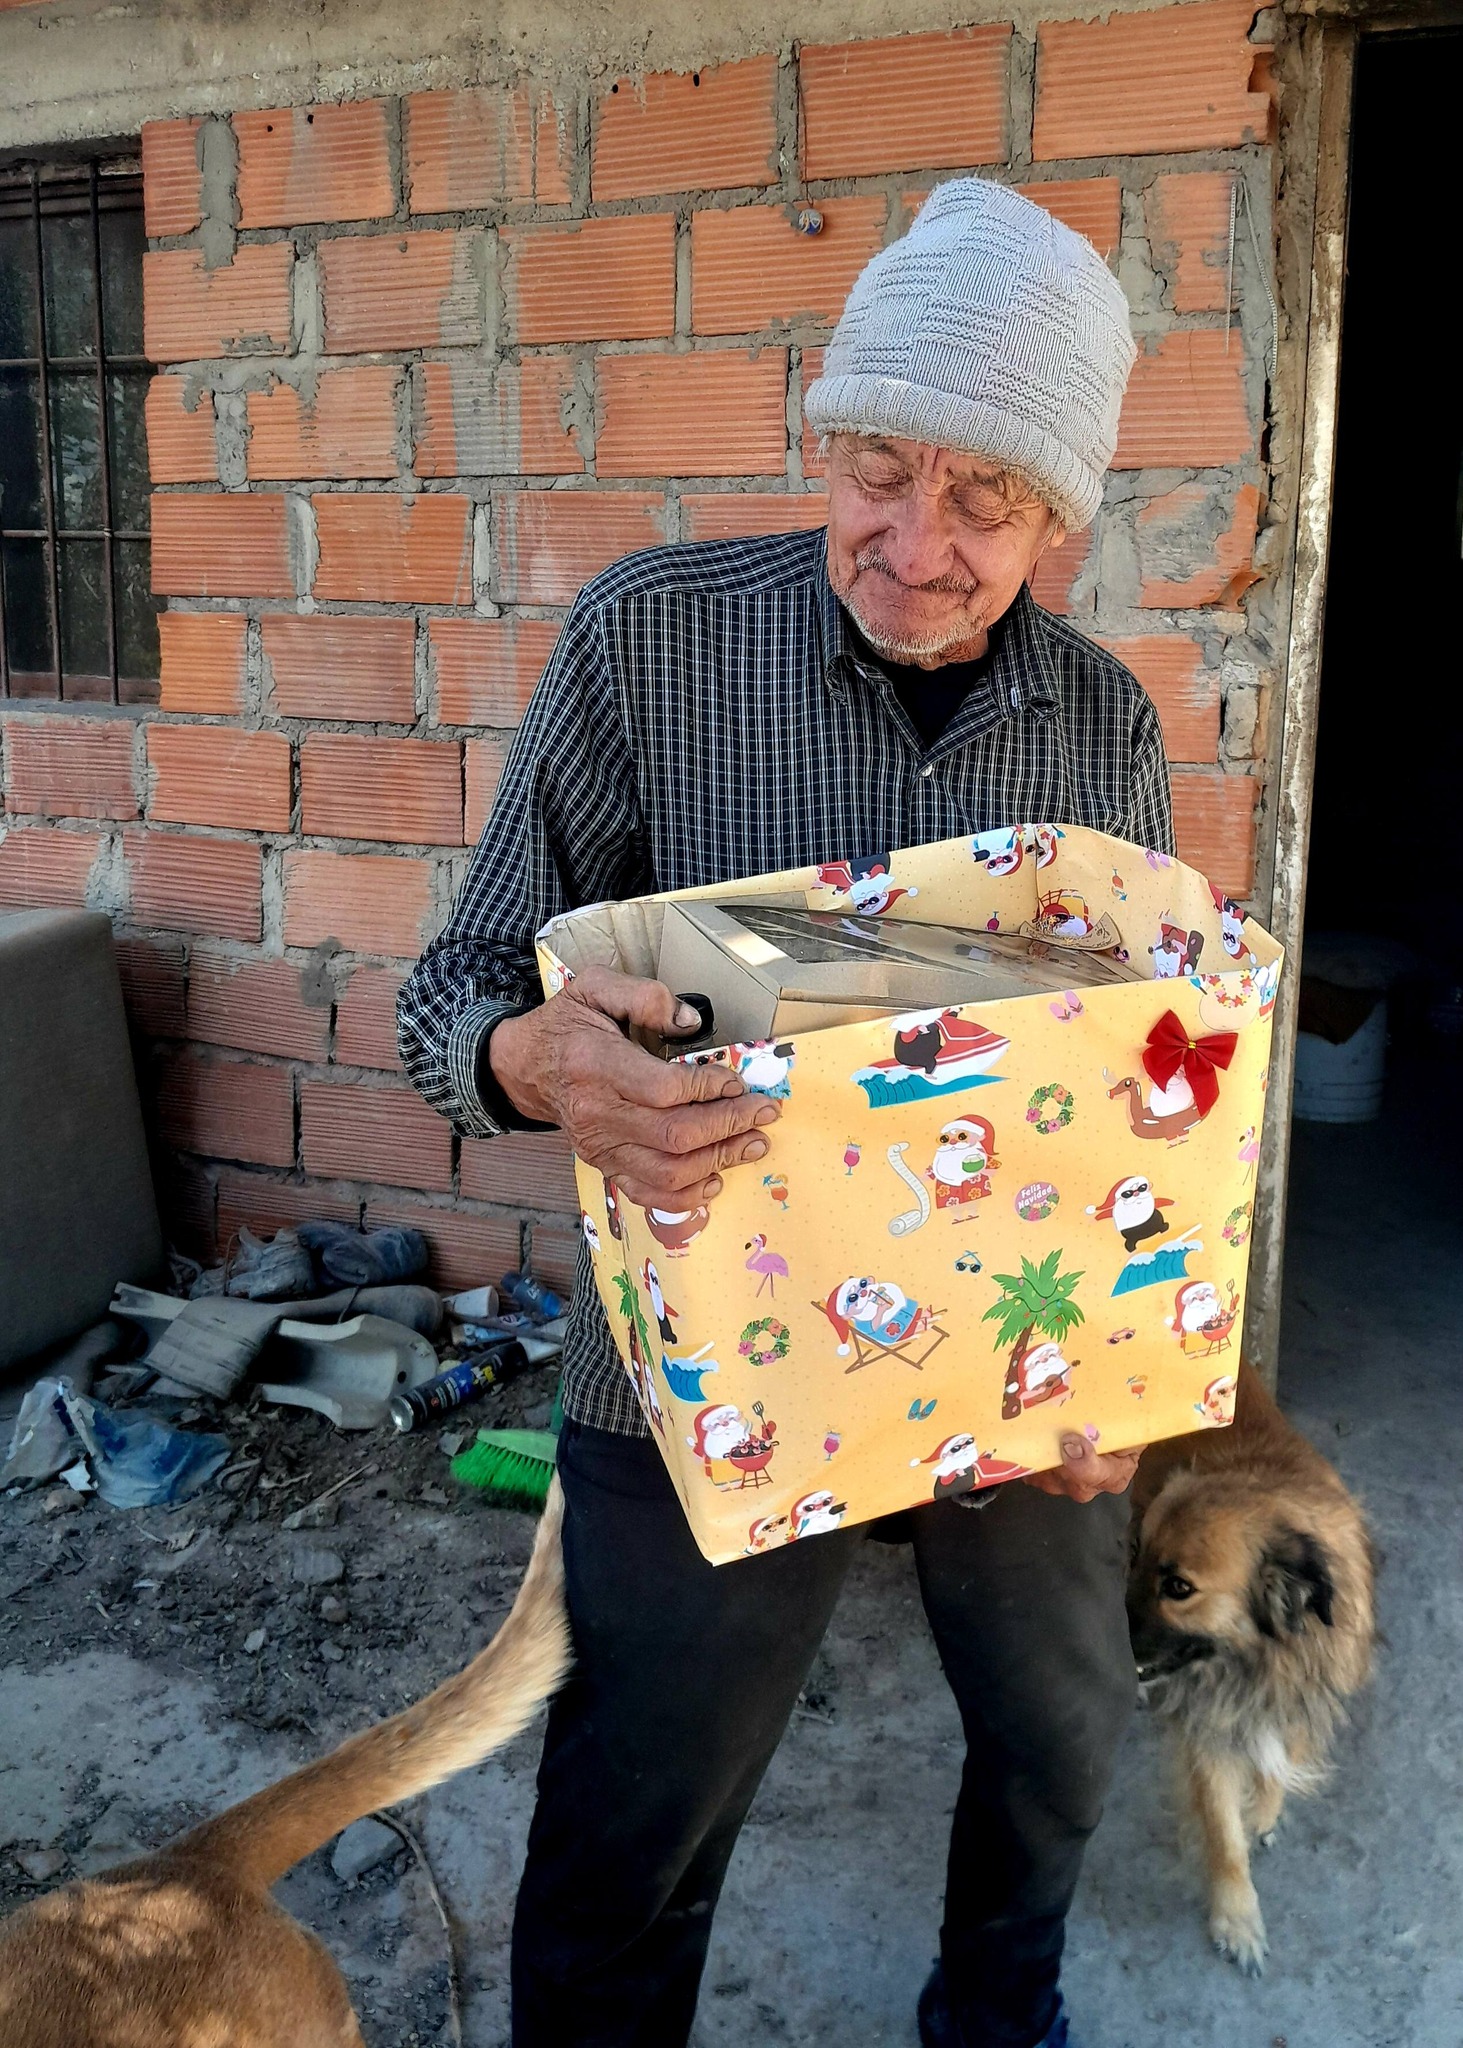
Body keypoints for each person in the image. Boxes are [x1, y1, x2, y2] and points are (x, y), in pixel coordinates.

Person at [399, 177, 1168, 2048]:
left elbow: (1133, 1092)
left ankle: (998, 2013)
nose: (914, 544)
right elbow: (450, 992)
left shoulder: (1104, 727)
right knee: (639, 1812)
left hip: (1000, 1345)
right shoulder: (649, 642)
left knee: (1063, 1739)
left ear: (1061, 516)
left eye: (984, 503)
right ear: (819, 441)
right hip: (703, 1357)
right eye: (877, 470)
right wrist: (535, 1061)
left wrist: (1131, 1361)